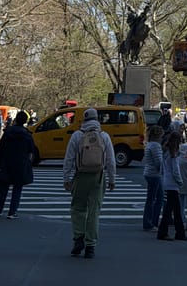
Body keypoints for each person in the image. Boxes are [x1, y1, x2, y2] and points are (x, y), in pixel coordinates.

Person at [63, 107, 116, 259]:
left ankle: (78, 238)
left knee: (78, 208)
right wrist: (112, 179)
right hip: (98, 177)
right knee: (94, 211)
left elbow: (69, 159)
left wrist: (66, 178)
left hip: (80, 176)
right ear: (97, 120)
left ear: (84, 120)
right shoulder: (104, 136)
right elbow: (111, 160)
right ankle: (90, 245)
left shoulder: (77, 135)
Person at [0, 110, 37, 219]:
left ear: (16, 119)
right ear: (25, 121)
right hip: (20, 163)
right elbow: (31, 150)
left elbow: (0, 149)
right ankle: (12, 212)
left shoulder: (8, 132)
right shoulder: (27, 134)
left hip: (6, 162)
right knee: (17, 189)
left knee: (3, 187)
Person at [157, 131, 187, 241]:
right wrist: (180, 182)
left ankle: (178, 232)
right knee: (173, 211)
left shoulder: (165, 153)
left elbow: (161, 169)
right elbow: (176, 171)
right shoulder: (173, 155)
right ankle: (175, 233)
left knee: (172, 209)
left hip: (167, 182)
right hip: (173, 185)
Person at [142, 124, 164, 231]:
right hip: (154, 174)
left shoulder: (149, 144)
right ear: (158, 135)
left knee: (154, 198)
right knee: (155, 199)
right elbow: (158, 162)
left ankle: (151, 222)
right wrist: (163, 170)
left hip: (149, 173)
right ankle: (150, 222)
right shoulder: (155, 145)